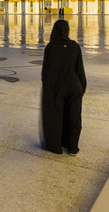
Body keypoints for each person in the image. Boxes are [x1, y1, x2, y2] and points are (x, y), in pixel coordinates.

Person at [41, 20, 86, 156]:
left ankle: (56, 146)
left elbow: (46, 71)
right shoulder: (74, 46)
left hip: (56, 87)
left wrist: (47, 89)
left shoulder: (51, 47)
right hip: (74, 87)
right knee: (74, 117)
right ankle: (72, 147)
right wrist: (81, 88)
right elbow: (80, 70)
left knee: (55, 115)